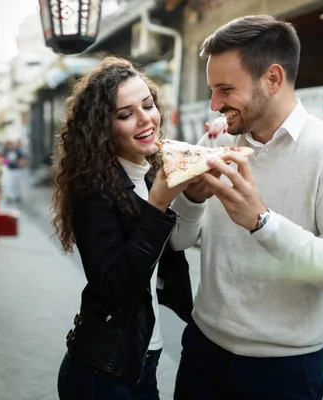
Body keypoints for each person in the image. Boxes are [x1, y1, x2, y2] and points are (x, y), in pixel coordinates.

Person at [170, 15, 323, 400]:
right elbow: (180, 241)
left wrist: (261, 222)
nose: (214, 105)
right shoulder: (214, 142)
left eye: (225, 89)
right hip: (203, 350)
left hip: (286, 369)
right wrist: (192, 199)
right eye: (213, 90)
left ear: (273, 79)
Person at [51, 56, 194, 399]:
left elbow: (177, 244)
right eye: (126, 114)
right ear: (104, 128)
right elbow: (115, 288)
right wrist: (158, 206)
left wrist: (195, 200)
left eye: (148, 105)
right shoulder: (93, 190)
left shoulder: (149, 173)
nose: (146, 119)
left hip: (145, 357)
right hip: (102, 370)